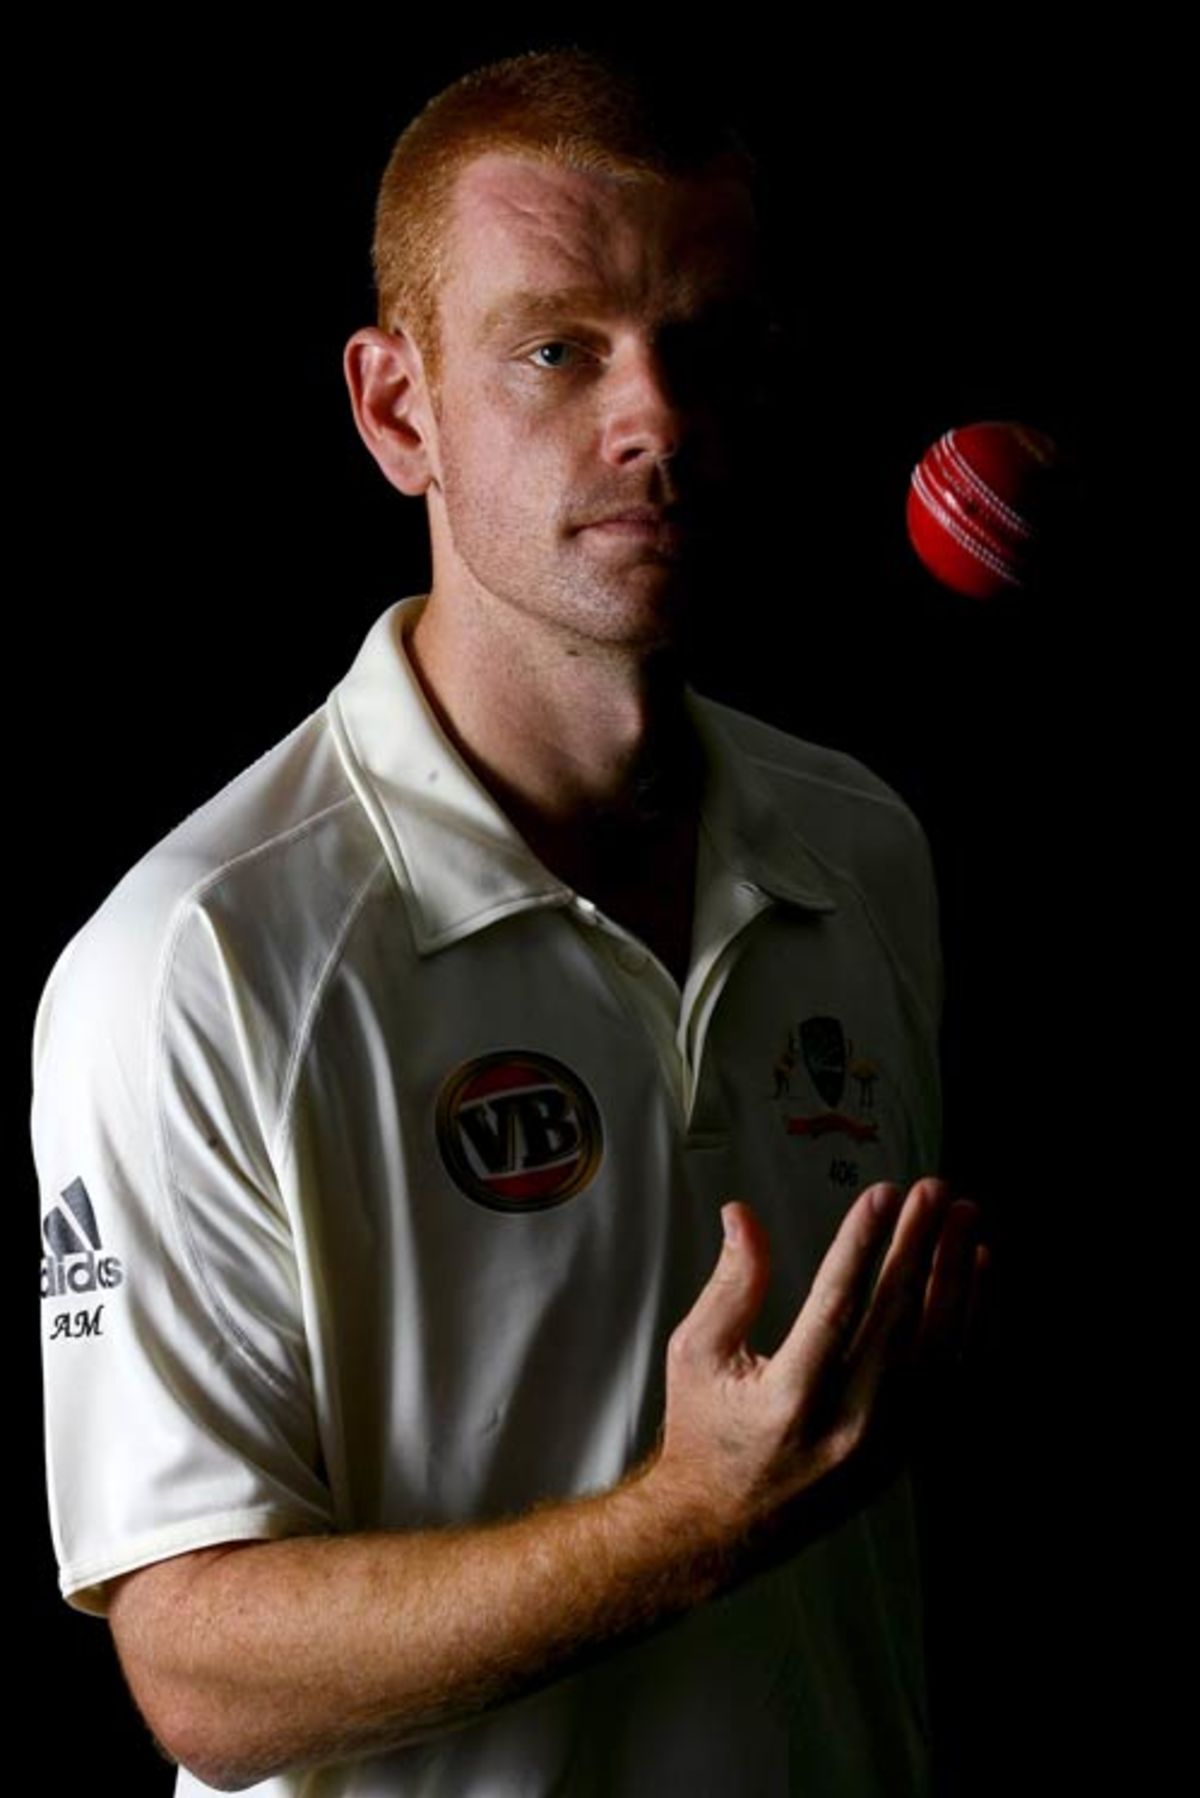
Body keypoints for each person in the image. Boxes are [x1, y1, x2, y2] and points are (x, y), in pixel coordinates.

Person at [32, 47, 985, 1797]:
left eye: (704, 349)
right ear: (400, 412)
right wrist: (688, 1520)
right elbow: (197, 1667)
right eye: (560, 348)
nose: (656, 421)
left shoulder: (864, 849)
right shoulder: (203, 952)